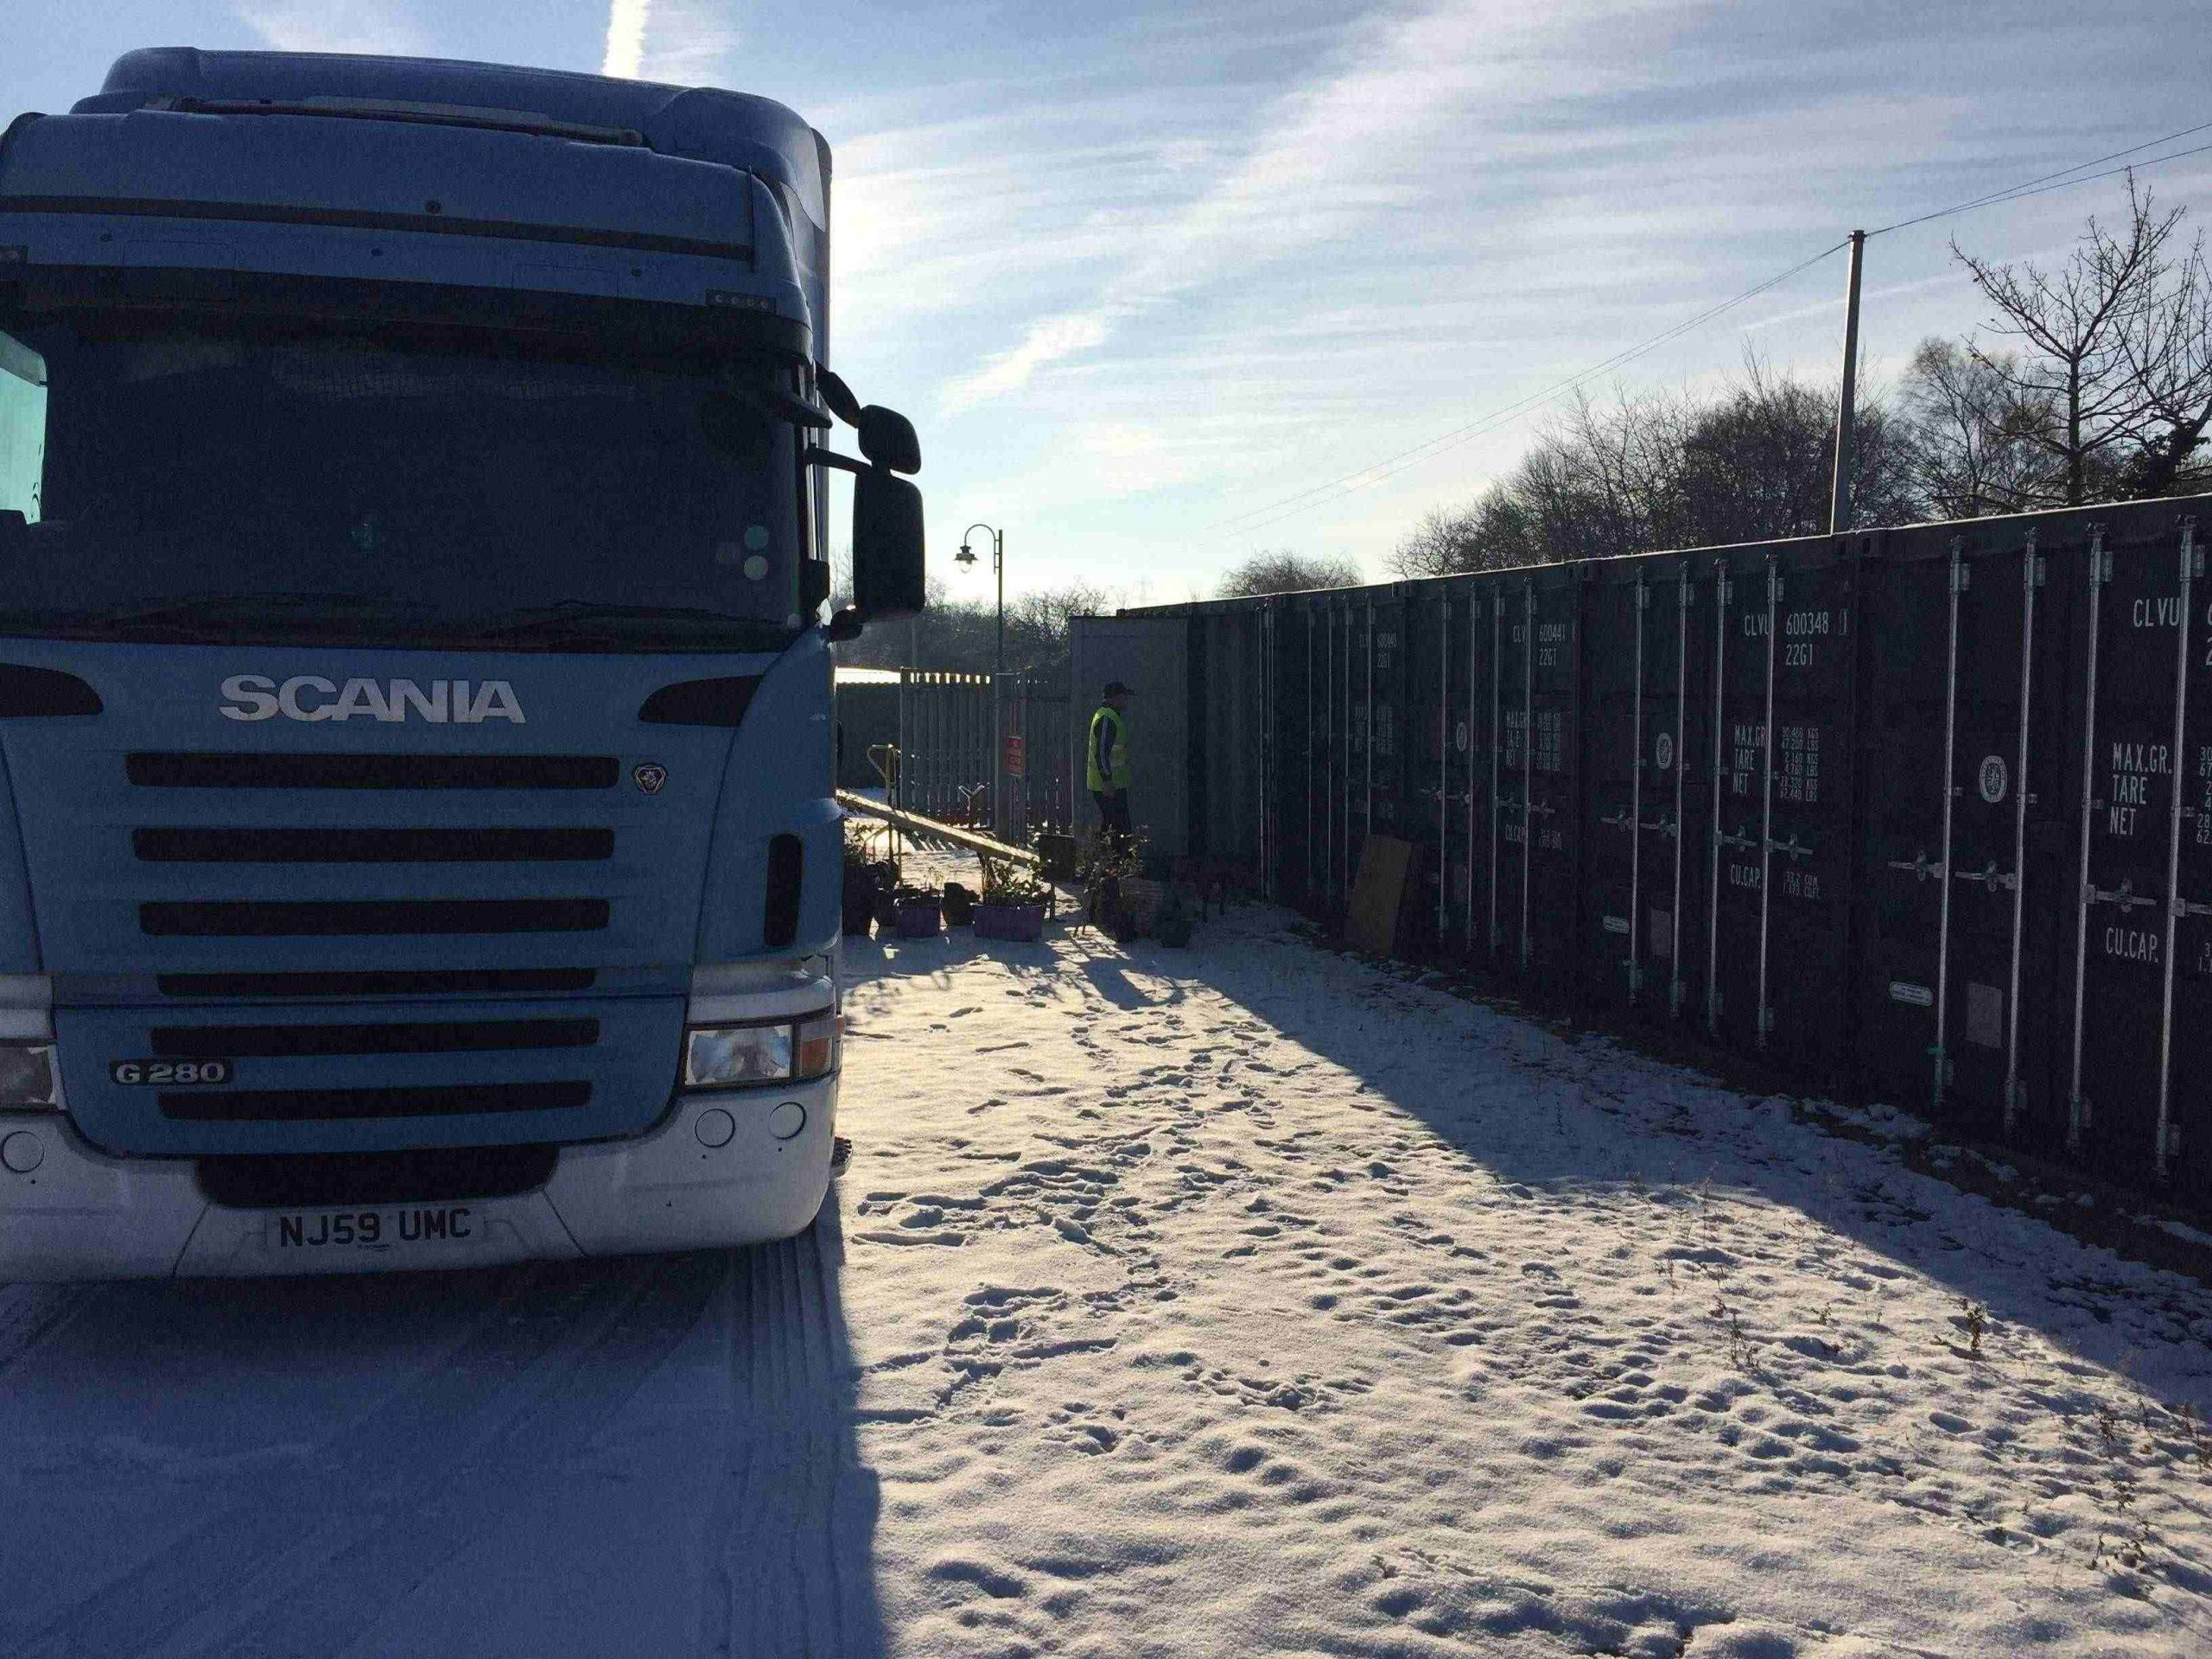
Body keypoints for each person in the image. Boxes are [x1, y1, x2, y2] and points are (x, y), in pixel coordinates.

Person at [1086, 680, 1135, 854]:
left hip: (1113, 784)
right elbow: (1102, 753)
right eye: (1124, 697)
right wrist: (1107, 780)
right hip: (1108, 786)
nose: (1126, 701)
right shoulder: (1107, 718)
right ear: (1117, 697)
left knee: (1113, 827)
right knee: (1118, 829)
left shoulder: (1108, 716)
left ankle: (1107, 866)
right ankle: (1112, 866)